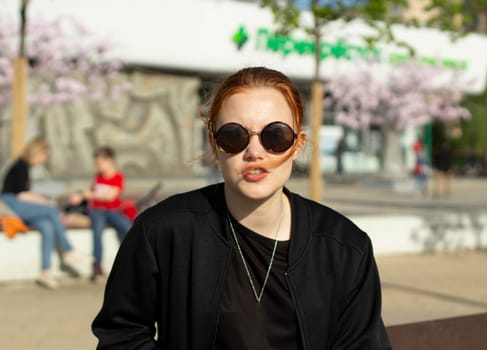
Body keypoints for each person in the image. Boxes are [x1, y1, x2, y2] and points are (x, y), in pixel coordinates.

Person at [92, 67, 391, 349]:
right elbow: (121, 335)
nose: (255, 152)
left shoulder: (345, 248)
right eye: (233, 136)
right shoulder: (162, 231)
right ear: (214, 144)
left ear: (297, 144)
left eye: (276, 135)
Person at [1, 136, 86, 289]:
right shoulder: (20, 166)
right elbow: (22, 194)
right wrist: (46, 202)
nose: (44, 159)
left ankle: (45, 271)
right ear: (36, 152)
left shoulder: (25, 167)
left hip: (16, 205)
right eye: (44, 155)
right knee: (52, 210)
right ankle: (68, 250)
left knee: (47, 225)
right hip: (10, 204)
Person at [69, 146, 132, 282]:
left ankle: (132, 260)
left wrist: (89, 194)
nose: (97, 166)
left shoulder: (118, 177)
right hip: (97, 211)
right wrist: (80, 196)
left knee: (128, 228)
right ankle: (97, 264)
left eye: (99, 163)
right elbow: (92, 193)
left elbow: (111, 196)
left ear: (110, 161)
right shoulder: (98, 177)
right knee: (97, 231)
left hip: (113, 210)